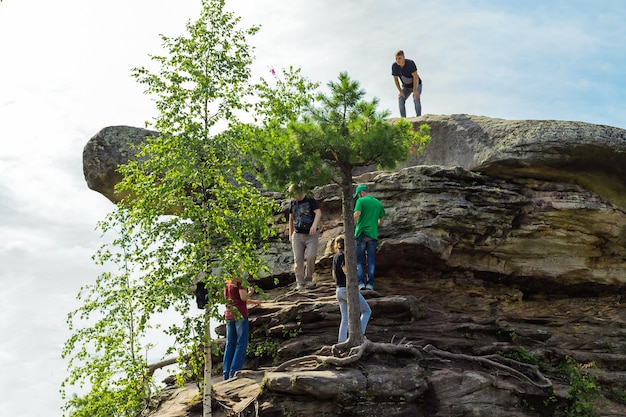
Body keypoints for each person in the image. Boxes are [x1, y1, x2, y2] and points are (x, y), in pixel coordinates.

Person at [332, 235, 371, 342]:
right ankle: (360, 335)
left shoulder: (335, 257)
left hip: (339, 290)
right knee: (367, 310)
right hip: (347, 289)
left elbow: (333, 274)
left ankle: (342, 341)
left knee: (345, 318)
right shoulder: (344, 256)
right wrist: (354, 270)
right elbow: (346, 271)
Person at [223, 276, 261, 380]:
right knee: (241, 343)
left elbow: (234, 300)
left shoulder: (227, 282)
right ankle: (234, 371)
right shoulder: (240, 281)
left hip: (229, 314)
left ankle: (226, 374)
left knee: (230, 344)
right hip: (240, 315)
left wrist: (254, 302)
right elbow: (243, 298)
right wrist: (250, 292)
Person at [288, 184, 322, 290]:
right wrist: (290, 234)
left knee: (311, 256)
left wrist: (314, 225)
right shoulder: (293, 203)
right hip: (297, 235)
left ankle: (309, 279)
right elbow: (291, 218)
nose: (292, 196)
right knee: (298, 259)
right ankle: (300, 283)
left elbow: (318, 212)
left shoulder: (310, 200)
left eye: (293, 193)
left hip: (311, 235)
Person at [353, 184, 386, 291]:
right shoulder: (378, 203)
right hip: (373, 234)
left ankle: (361, 283)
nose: (358, 197)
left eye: (358, 195)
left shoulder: (361, 201)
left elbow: (356, 214)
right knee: (370, 260)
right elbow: (381, 221)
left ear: (361, 192)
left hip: (361, 233)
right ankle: (370, 284)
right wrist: (374, 225)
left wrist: (352, 226)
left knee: (358, 260)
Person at [392, 50, 422, 117]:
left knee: (416, 97)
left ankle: (419, 117)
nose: (398, 60)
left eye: (399, 58)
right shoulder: (394, 66)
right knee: (401, 99)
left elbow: (415, 77)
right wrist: (400, 91)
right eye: (396, 59)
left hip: (416, 84)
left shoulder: (410, 63)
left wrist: (415, 90)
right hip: (406, 87)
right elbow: (396, 80)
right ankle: (403, 119)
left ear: (403, 57)